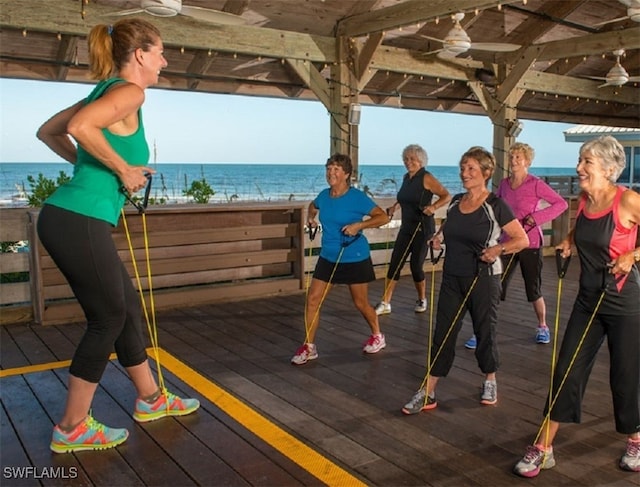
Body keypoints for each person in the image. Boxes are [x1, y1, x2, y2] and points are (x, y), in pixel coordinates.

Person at [36, 19, 199, 454]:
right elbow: (81, 128)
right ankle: (72, 426)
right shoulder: (130, 91)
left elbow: (48, 131)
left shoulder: (105, 91)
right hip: (77, 218)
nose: (165, 61)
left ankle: (150, 398)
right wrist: (123, 169)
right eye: (161, 52)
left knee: (125, 308)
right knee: (107, 318)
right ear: (141, 55)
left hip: (70, 216)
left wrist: (96, 165)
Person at [514, 135, 640, 477]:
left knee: (625, 377)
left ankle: (636, 439)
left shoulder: (628, 200)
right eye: (580, 160)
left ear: (610, 168)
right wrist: (568, 242)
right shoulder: (585, 200)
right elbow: (581, 230)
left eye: (586, 161)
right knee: (566, 369)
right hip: (587, 300)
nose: (578, 167)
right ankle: (544, 447)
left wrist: (632, 254)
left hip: (624, 301)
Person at [401, 146, 528, 414]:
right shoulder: (457, 201)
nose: (465, 173)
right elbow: (449, 228)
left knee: (485, 332)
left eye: (471, 168)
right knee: (442, 334)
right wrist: (438, 239)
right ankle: (429, 390)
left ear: (486, 172)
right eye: (462, 168)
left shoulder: (495, 205)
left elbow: (521, 239)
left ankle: (490, 380)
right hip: (452, 277)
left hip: (484, 279)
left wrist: (497, 250)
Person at [464, 142, 568, 350]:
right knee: (493, 288)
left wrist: (534, 219)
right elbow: (495, 206)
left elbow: (561, 204)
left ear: (527, 161)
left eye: (518, 157)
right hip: (506, 243)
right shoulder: (503, 184)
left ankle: (542, 326)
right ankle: (481, 332)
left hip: (531, 243)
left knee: (533, 289)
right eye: (511, 157)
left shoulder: (535, 184)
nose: (514, 161)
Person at [291, 154, 390, 365]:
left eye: (336, 169)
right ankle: (309, 347)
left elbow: (382, 217)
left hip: (354, 255)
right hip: (328, 256)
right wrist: (311, 217)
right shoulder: (324, 196)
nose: (331, 173)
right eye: (329, 169)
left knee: (360, 303)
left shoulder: (357, 198)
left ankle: (377, 335)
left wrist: (358, 226)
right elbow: (313, 205)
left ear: (346, 174)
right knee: (313, 299)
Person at [374, 144, 451, 315]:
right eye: (406, 159)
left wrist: (434, 207)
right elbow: (405, 198)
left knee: (416, 266)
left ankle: (422, 298)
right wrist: (395, 207)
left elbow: (446, 195)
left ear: (421, 161)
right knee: (395, 263)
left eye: (413, 159)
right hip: (407, 227)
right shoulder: (405, 178)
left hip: (423, 228)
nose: (409, 162)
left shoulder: (427, 177)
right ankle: (385, 302)